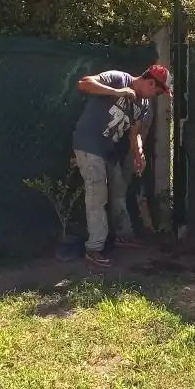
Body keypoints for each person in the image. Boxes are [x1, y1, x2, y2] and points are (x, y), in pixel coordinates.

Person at [72, 64, 171, 266]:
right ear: (151, 83)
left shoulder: (143, 104)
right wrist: (117, 92)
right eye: (158, 92)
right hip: (88, 143)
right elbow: (84, 83)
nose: (156, 96)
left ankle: (122, 235)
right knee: (97, 193)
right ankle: (94, 248)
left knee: (118, 188)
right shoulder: (118, 79)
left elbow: (135, 133)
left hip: (108, 149)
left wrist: (139, 153)